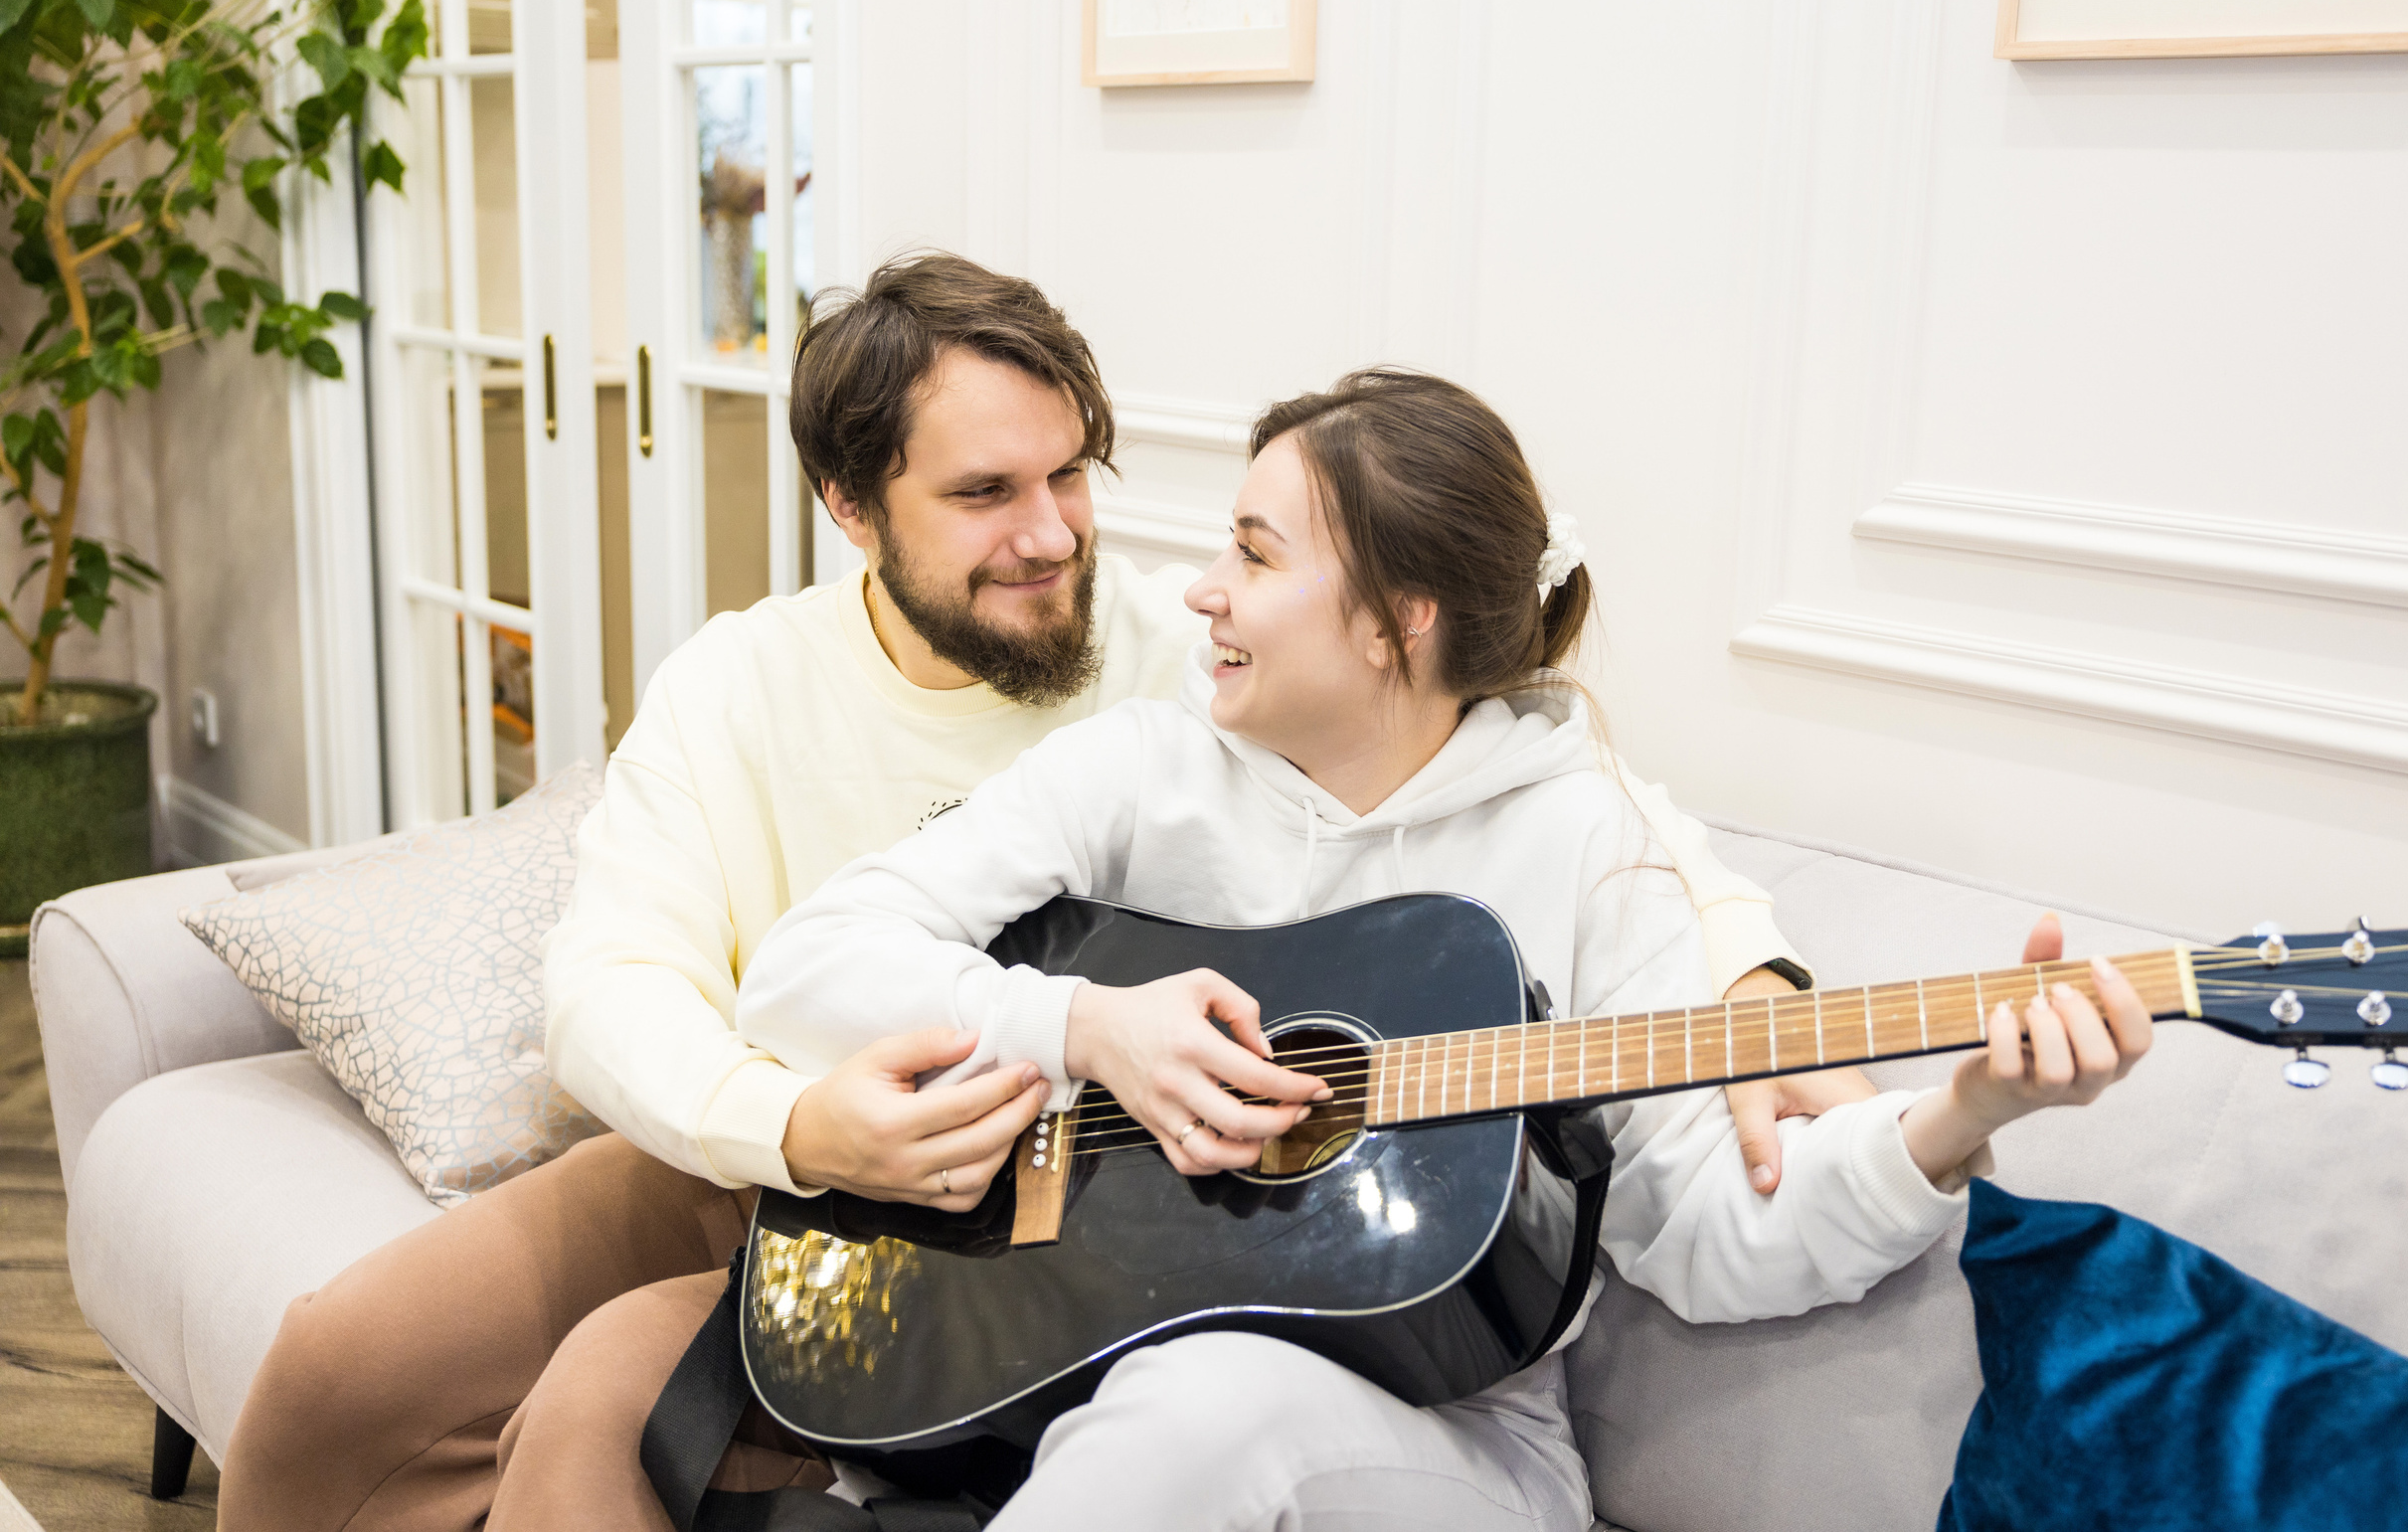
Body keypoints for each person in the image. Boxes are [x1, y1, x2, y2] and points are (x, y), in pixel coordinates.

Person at [213, 256, 1861, 1532]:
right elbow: (614, 988)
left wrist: (1758, 1000)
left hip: (1028, 1202)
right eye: (986, 496)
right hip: (761, 1133)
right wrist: (799, 1130)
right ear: (855, 510)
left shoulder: (1184, 659)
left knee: (590, 1412)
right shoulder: (742, 684)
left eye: (1073, 476)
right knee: (330, 1370)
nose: (1053, 536)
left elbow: (1580, 806)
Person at [738, 369, 2152, 1531]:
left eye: (1253, 553)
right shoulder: (1142, 773)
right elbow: (805, 969)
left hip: (1454, 1448)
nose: (1200, 592)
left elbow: (1719, 1236)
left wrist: (1967, 1109)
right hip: (1091, 1382)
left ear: (1396, 621)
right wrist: (1082, 1031)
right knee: (1169, 1406)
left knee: (1205, 1405)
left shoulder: (1581, 843)